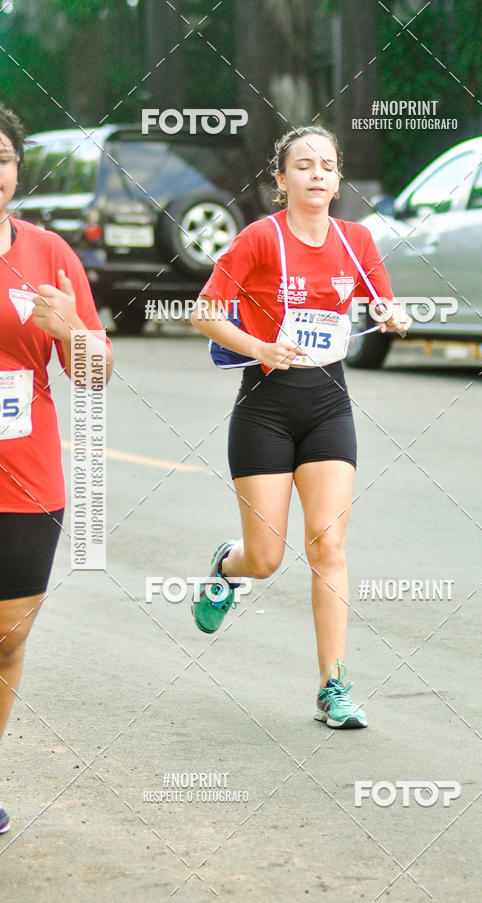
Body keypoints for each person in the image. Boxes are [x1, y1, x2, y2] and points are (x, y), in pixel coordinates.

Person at [191, 126, 410, 729]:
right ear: (280, 181)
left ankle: (332, 686)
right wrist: (260, 343)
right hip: (264, 408)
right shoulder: (260, 239)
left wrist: (392, 314)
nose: (318, 175)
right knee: (266, 558)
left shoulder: (357, 239)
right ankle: (225, 568)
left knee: (329, 544)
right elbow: (204, 313)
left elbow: (381, 300)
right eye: (304, 166)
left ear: (339, 182)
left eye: (328, 166)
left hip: (328, 406)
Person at [0, 105, 113, 833]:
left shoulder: (49, 254)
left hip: (26, 473)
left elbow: (96, 374)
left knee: (8, 634)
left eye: (3, 157)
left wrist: (72, 331)